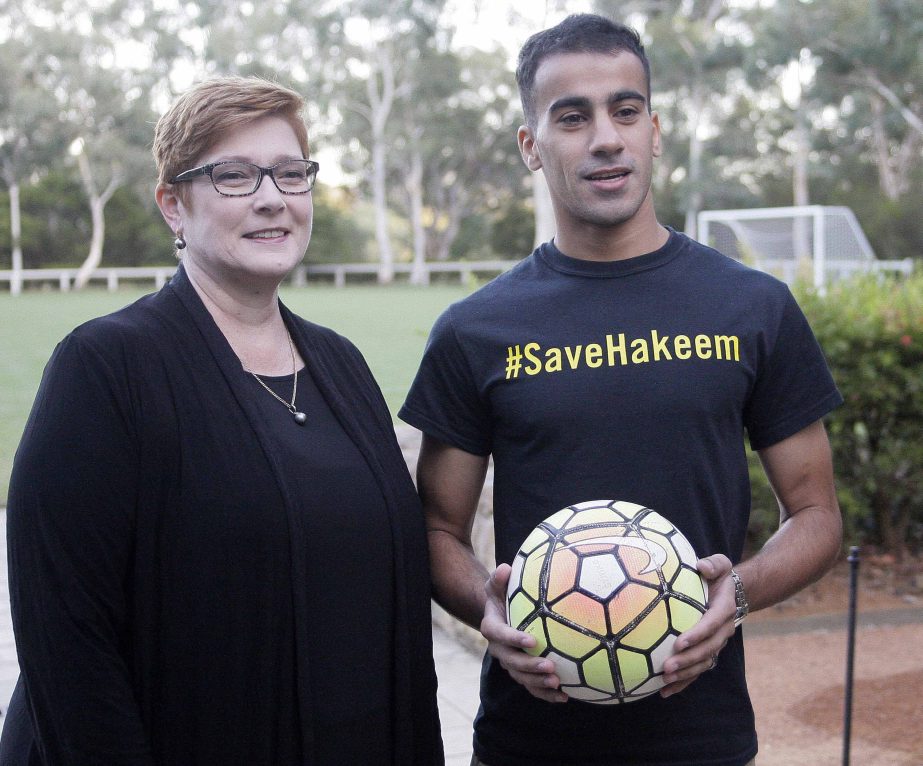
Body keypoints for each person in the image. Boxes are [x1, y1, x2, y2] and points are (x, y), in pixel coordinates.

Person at [399, 13, 842, 766]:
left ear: (653, 129)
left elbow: (816, 515)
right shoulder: (474, 329)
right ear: (530, 147)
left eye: (624, 110)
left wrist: (735, 593)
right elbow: (435, 531)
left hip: (700, 738)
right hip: (526, 742)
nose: (605, 137)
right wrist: (487, 608)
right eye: (571, 117)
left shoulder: (751, 306)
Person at [2, 76, 443, 766]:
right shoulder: (105, 368)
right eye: (233, 176)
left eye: (290, 173)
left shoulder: (341, 364)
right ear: (173, 206)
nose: (271, 197)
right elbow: (66, 640)